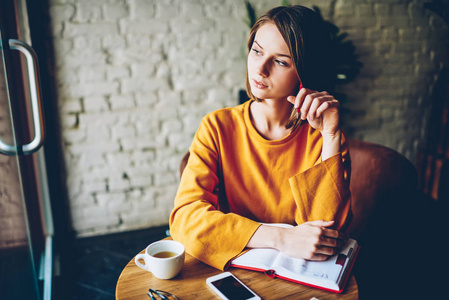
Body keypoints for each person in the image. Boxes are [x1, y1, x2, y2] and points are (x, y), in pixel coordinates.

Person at [169, 5, 352, 271]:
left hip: (298, 276)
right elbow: (185, 219)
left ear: (305, 72)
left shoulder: (323, 138)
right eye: (257, 51)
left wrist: (331, 135)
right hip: (231, 268)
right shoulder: (217, 126)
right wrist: (280, 237)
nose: (260, 69)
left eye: (280, 61)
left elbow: (326, 237)